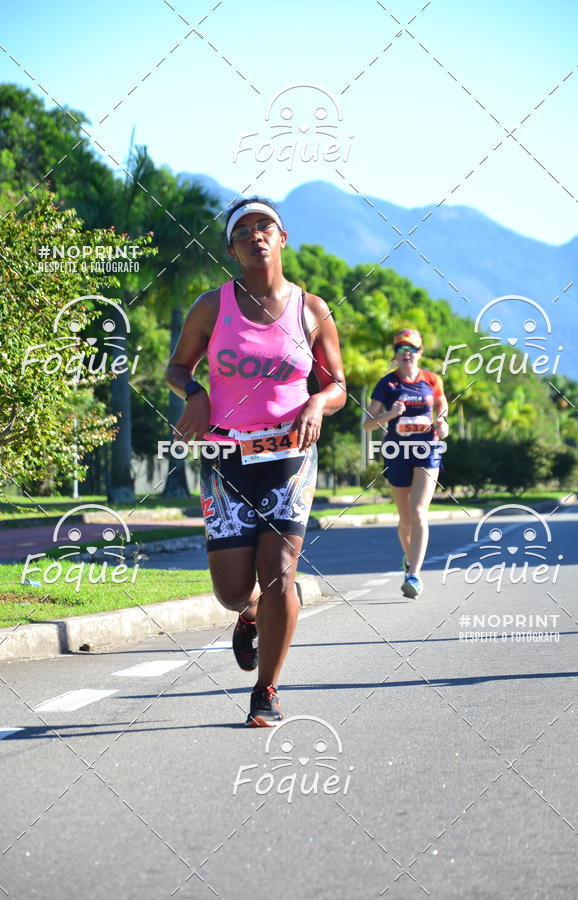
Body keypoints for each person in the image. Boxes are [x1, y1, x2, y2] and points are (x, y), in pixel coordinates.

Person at [166, 197, 346, 726]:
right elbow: (177, 368)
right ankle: (249, 617)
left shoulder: (311, 310)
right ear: (232, 248)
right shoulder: (211, 306)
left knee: (279, 575)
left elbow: (336, 384)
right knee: (230, 590)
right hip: (226, 456)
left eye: (264, 226)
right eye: (242, 231)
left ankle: (266, 689)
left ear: (282, 237)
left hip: (289, 457)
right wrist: (193, 393)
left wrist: (316, 401)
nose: (255, 235)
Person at [363, 329, 448, 598]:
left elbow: (441, 406)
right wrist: (391, 413)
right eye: (401, 349)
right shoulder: (387, 385)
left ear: (420, 352)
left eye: (411, 348)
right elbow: (367, 425)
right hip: (397, 452)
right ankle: (409, 558)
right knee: (405, 520)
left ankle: (414, 575)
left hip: (427, 450)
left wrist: (443, 422)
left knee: (419, 510)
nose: (406, 353)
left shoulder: (432, 380)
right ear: (395, 354)